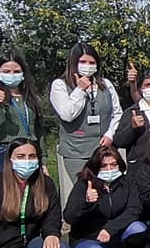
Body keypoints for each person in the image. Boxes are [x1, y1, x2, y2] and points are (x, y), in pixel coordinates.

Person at [63, 145, 150, 248]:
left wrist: (110, 229)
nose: (109, 169)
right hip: (87, 237)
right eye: (104, 166)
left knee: (139, 229)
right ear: (95, 167)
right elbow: (69, 217)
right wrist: (86, 203)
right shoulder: (84, 184)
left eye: (113, 164)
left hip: (115, 233)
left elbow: (134, 210)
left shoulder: (127, 181)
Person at [50, 42, 122, 200]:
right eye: (83, 62)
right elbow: (67, 115)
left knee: (109, 191)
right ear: (74, 63)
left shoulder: (106, 85)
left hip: (104, 149)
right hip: (76, 152)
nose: (87, 66)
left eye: (91, 62)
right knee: (87, 192)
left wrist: (110, 134)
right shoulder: (60, 85)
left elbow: (117, 113)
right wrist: (80, 90)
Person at [0, 50, 43, 175]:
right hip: (3, 152)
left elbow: (38, 131)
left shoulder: (30, 98)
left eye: (16, 71)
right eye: (6, 71)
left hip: (29, 154)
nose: (12, 74)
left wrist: (43, 160)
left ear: (23, 74)